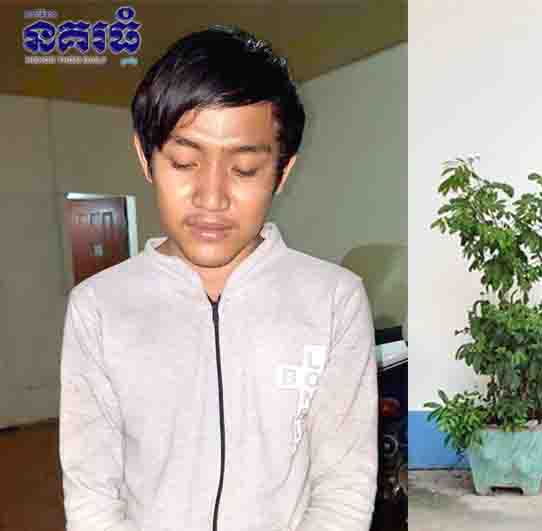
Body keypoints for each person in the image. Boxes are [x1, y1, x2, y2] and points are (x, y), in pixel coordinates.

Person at [58, 27, 377, 530]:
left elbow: (344, 488)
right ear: (146, 157)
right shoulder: (98, 306)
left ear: (281, 172)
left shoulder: (334, 300)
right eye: (184, 162)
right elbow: (91, 493)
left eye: (245, 169)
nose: (212, 197)